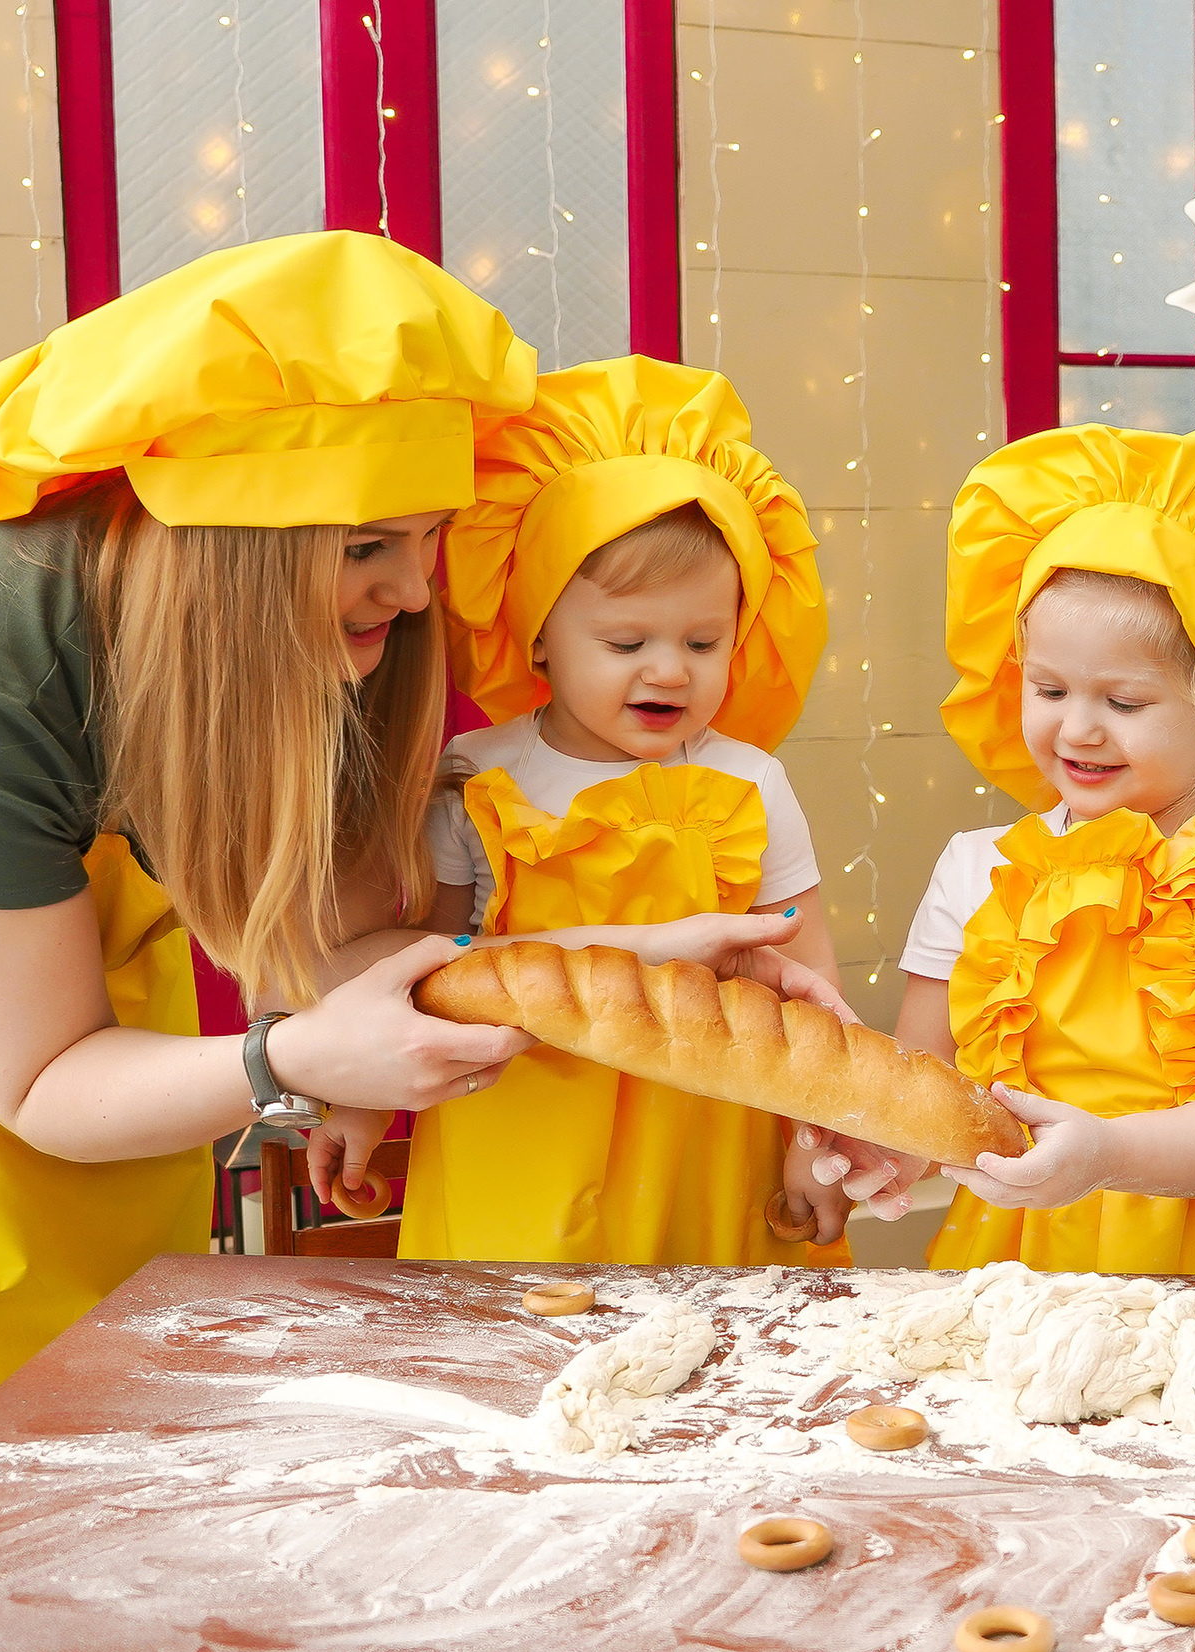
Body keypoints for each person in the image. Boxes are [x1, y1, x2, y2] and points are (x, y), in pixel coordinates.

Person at [0, 234, 836, 1601]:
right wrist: (291, 1064)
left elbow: (325, 954)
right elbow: (41, 1072)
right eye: (370, 545)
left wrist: (632, 967)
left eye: (429, 537)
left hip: (89, 1161)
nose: (421, 588)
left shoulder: (324, 638)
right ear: (224, 554)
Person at [819, 424, 1195, 1276]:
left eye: (1126, 702)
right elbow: (931, 1093)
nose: (1078, 728)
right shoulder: (976, 870)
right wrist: (884, 1150)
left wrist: (1110, 1154)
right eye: (1049, 688)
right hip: (1027, 1264)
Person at [314, 356, 851, 1262]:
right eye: (626, 641)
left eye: (703, 640)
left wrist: (816, 1143)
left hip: (702, 1136)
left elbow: (810, 984)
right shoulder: (478, 774)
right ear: (539, 637)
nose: (671, 669)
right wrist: (361, 1100)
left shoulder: (751, 783)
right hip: (517, 1124)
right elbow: (427, 968)